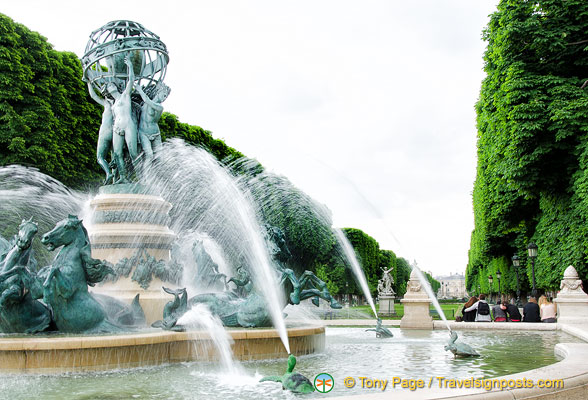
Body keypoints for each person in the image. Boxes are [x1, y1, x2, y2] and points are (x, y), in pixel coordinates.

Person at [107, 55, 138, 183]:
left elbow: (131, 81)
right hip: (117, 128)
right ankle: (123, 178)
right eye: (108, 87)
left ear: (115, 87)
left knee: (134, 154)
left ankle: (143, 178)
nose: (110, 87)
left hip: (128, 125)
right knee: (117, 154)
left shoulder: (125, 95)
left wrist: (130, 66)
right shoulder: (112, 104)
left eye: (111, 85)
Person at [135, 81, 171, 169]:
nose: (165, 98)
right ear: (158, 92)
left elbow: (146, 99)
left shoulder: (159, 107)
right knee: (149, 155)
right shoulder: (143, 104)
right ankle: (147, 177)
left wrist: (139, 90)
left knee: (160, 158)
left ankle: (157, 177)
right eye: (164, 94)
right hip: (143, 132)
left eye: (166, 96)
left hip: (156, 134)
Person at [87, 82, 114, 184]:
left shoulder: (107, 104)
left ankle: (108, 173)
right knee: (116, 156)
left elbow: (93, 95)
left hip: (105, 132)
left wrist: (89, 82)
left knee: (100, 157)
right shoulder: (120, 102)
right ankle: (119, 177)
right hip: (115, 133)